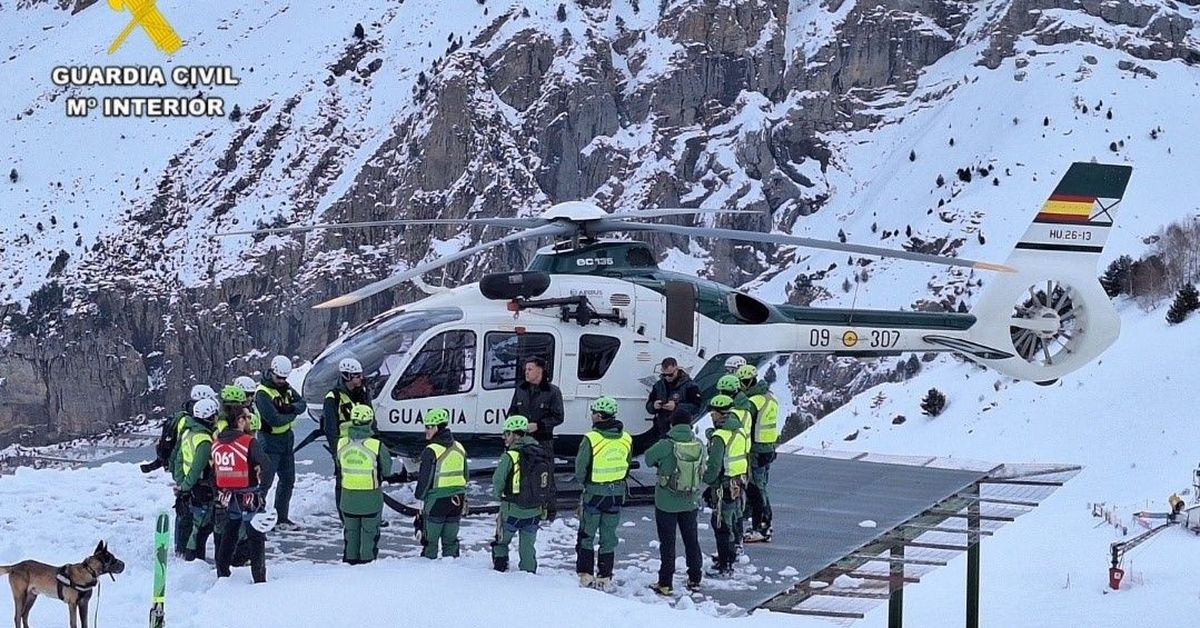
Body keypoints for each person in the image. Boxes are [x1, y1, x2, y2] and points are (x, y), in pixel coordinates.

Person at [644, 408, 705, 595]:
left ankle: (665, 582)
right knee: (692, 540)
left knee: (668, 542)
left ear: (672, 423)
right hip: (690, 500)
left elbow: (648, 459)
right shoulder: (698, 444)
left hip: (666, 501)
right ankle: (695, 578)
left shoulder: (666, 444)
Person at [574, 396, 631, 589]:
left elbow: (580, 468)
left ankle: (586, 573)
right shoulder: (626, 438)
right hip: (616, 494)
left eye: (593, 413)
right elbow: (627, 464)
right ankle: (605, 576)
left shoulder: (591, 438)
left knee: (587, 534)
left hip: (594, 493)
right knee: (609, 536)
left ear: (599, 416)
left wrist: (586, 483)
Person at [211, 406, 269, 582]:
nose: (249, 420)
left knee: (229, 533)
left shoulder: (216, 443)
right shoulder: (248, 442)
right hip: (249, 494)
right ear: (240, 420)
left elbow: (214, 472)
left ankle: (222, 573)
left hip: (227, 496)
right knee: (256, 536)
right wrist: (262, 490)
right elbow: (266, 465)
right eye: (247, 417)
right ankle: (259, 578)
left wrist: (218, 493)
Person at [255, 355, 308, 530]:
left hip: (286, 441)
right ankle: (256, 518)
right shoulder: (263, 393)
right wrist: (292, 414)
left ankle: (281, 518)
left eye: (284, 378)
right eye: (279, 378)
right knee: (265, 483)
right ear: (272, 373)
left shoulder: (286, 387)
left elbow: (302, 404)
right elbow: (274, 420)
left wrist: (290, 408)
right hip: (269, 442)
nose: (282, 381)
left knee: (288, 480)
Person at [336, 404, 392, 564]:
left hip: (348, 499)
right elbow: (387, 470)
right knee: (369, 535)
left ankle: (349, 563)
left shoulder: (341, 443)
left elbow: (339, 465)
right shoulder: (376, 446)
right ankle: (367, 565)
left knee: (351, 534)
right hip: (370, 499)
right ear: (370, 421)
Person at [490, 415, 547, 573]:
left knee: (501, 541)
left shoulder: (510, 456)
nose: (504, 437)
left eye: (506, 433)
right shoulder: (540, 452)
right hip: (535, 510)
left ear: (515, 435)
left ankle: (500, 569)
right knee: (528, 547)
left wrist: (498, 496)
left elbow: (498, 480)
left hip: (512, 510)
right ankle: (529, 573)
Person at [508, 357, 563, 518]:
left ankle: (549, 510)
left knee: (545, 474)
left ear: (540, 370)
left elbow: (558, 417)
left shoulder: (552, 392)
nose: (526, 372)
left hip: (542, 441)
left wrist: (539, 425)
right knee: (520, 473)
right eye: (526, 369)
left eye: (530, 369)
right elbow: (512, 411)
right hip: (521, 441)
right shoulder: (521, 389)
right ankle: (521, 506)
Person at [702, 394, 749, 577]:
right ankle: (732, 554)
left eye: (713, 413)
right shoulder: (740, 431)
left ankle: (725, 564)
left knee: (721, 524)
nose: (711, 416)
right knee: (734, 518)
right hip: (738, 481)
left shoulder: (720, 437)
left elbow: (714, 465)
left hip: (724, 485)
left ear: (719, 414)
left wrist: (708, 481)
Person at [414, 408, 468, 559]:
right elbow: (466, 474)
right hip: (457, 500)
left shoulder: (431, 450)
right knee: (450, 540)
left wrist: (419, 497)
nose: (426, 430)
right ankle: (452, 565)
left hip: (436, 501)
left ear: (437, 427)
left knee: (430, 541)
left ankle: (428, 567)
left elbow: (425, 479)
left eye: (429, 427)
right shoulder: (459, 447)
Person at [735, 364, 779, 543]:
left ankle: (762, 526)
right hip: (768, 448)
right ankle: (762, 524)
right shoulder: (770, 397)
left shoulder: (754, 401)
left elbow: (743, 422)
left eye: (742, 382)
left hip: (756, 450)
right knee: (761, 487)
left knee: (757, 489)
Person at [176, 397, 218, 562]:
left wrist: (181, 483)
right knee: (201, 525)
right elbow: (197, 468)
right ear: (209, 418)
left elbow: (179, 459)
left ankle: (189, 553)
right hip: (201, 486)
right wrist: (186, 486)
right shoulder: (204, 441)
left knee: (195, 522)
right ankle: (194, 557)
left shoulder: (189, 432)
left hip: (191, 485)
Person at [323, 357, 371, 452]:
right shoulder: (333, 397)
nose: (361, 378)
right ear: (347, 376)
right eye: (357, 376)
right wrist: (336, 450)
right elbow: (330, 428)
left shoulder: (363, 393)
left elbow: (371, 417)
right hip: (344, 445)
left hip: (363, 443)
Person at [645, 357, 702, 438]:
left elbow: (696, 407)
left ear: (677, 369)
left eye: (670, 374)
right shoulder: (658, 385)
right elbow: (648, 406)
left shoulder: (690, 385)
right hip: (662, 430)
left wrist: (676, 406)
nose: (667, 377)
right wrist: (654, 406)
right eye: (664, 375)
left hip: (681, 430)